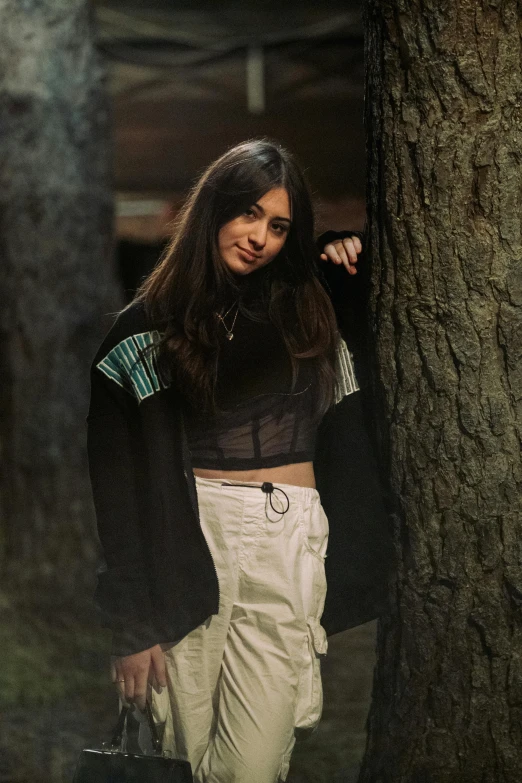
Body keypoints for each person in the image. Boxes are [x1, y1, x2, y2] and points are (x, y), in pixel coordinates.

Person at [86, 139, 394, 783]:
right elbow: (116, 492)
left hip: (288, 539)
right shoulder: (144, 331)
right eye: (247, 214)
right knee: (183, 756)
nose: (259, 237)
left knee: (252, 766)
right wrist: (132, 622)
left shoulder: (312, 303)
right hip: (189, 539)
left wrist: (339, 245)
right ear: (213, 211)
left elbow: (391, 276)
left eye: (279, 226)